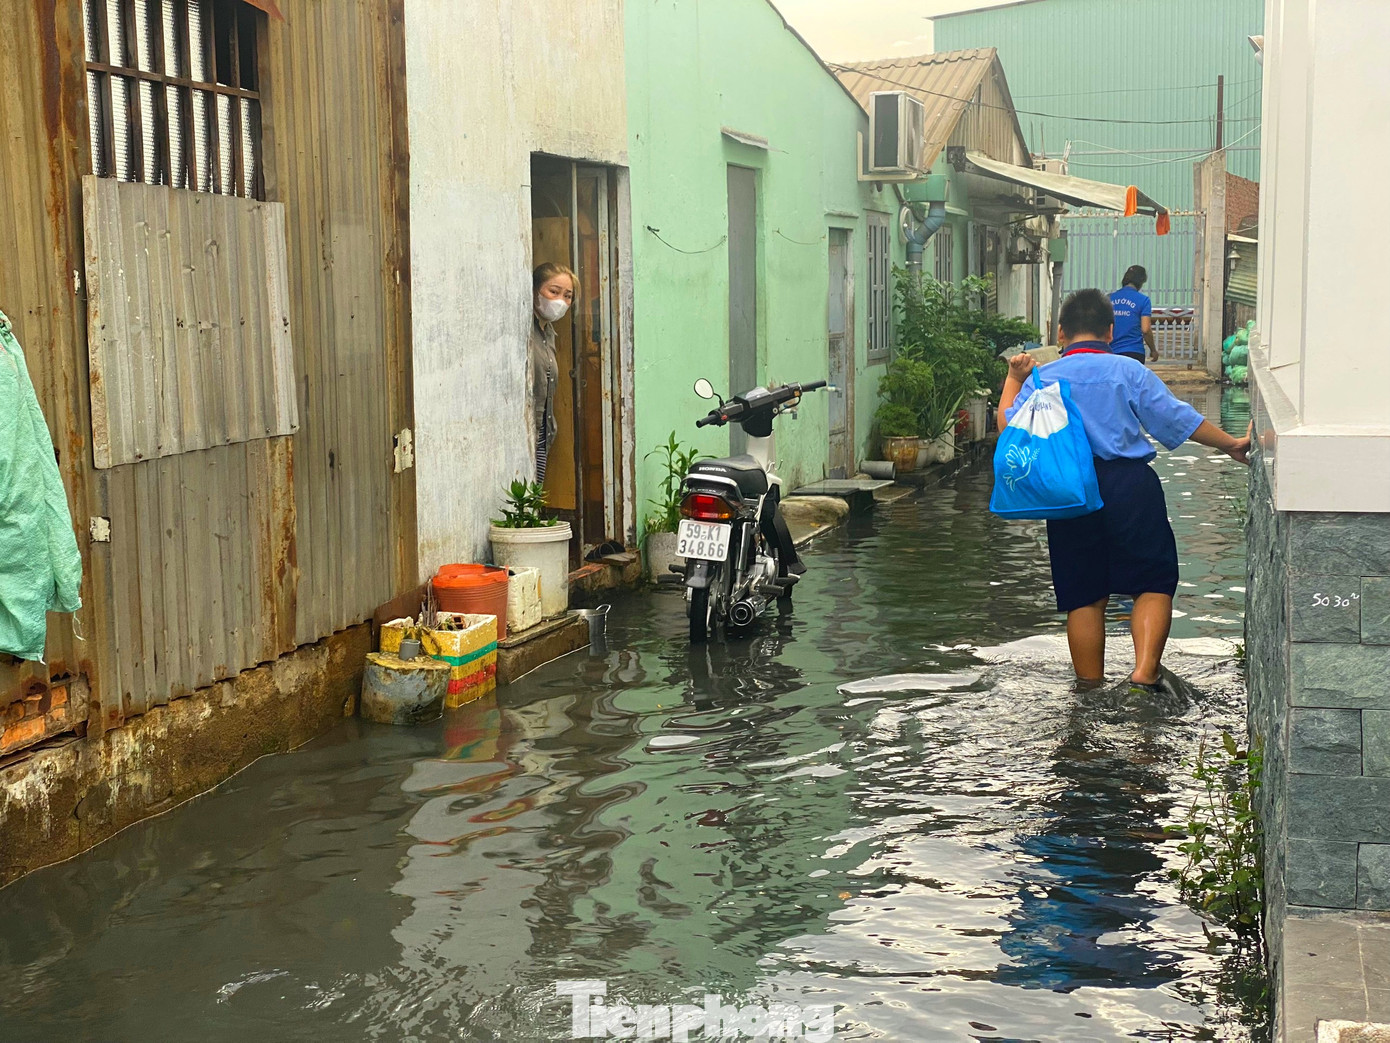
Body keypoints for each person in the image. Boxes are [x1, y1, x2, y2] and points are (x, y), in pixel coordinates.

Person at [996, 289, 1250, 690]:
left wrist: (1013, 378)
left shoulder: (1044, 379)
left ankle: (1090, 689)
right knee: (1152, 582)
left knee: (1084, 595)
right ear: (1110, 332)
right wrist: (1232, 444)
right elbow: (1179, 420)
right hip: (1130, 487)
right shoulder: (1128, 372)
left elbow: (1008, 430)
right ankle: (1144, 671)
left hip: (1070, 492)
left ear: (1061, 333)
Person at [530, 262, 576, 484]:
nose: (560, 301)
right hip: (526, 433)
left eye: (567, 296)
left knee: (533, 503)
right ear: (534, 290)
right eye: (554, 291)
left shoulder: (548, 333)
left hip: (542, 435)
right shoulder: (524, 330)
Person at [1109, 265, 1156, 364]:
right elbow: (1146, 330)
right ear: (1141, 281)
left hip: (1112, 352)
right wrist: (1153, 350)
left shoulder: (1109, 299)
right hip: (1134, 352)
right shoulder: (1143, 300)